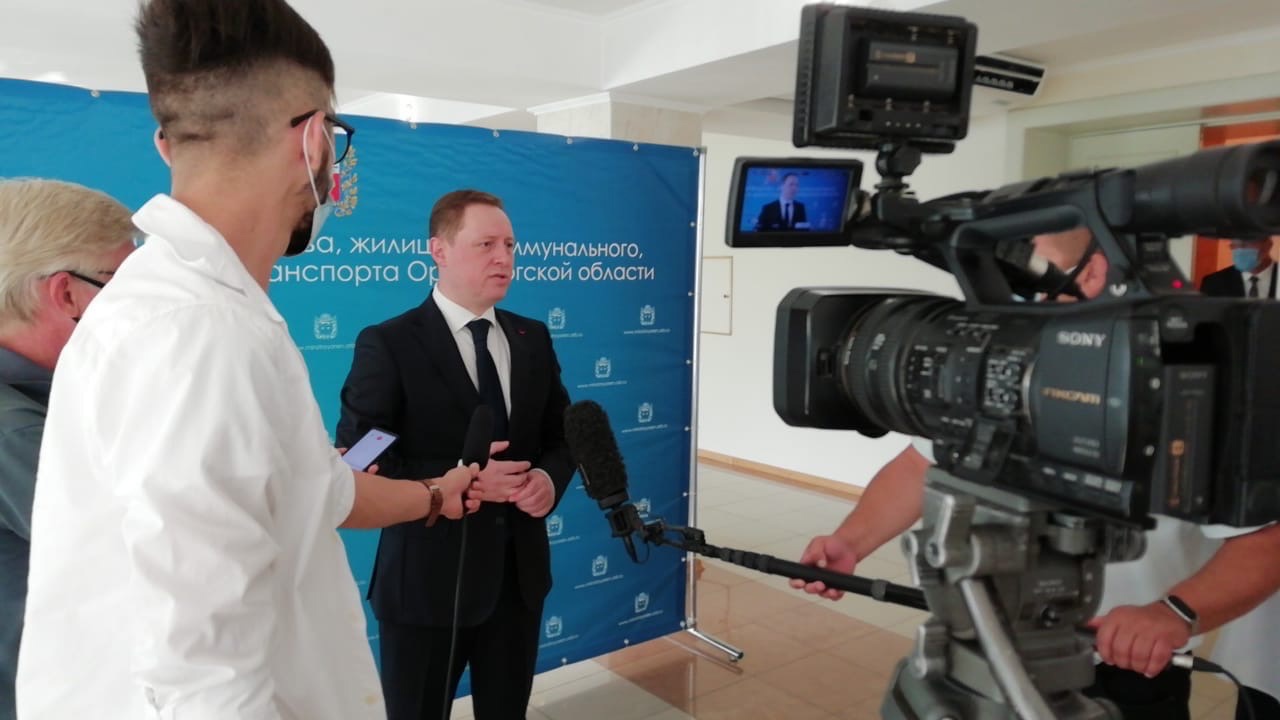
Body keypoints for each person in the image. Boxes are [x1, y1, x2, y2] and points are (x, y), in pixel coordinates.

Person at [16, 2, 478, 718]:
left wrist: (436, 495)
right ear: (316, 140)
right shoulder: (200, 332)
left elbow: (322, 490)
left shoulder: (188, 306)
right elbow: (206, 677)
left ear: (168, 146)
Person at [793, 227, 1280, 720]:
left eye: (1024, 278)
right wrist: (850, 542)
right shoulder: (999, 356)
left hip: (1120, 667)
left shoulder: (1198, 382)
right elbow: (919, 464)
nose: (1010, 299)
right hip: (981, 649)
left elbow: (1265, 541)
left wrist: (1173, 613)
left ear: (1094, 270)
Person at [337, 189, 574, 720]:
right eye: (486, 244)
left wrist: (547, 479)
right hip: (426, 585)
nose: (504, 257)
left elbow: (563, 436)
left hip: (517, 582)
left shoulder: (531, 337)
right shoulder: (389, 342)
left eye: (510, 245)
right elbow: (361, 460)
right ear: (438, 250)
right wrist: (457, 481)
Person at [0, 179, 136, 720]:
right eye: (124, 284)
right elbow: (149, 555)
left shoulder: (55, 400)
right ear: (66, 294)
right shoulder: (17, 430)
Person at [1200, 237, 1276, 298]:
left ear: (1267, 245)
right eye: (1234, 246)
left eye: (1245, 244)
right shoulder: (1214, 282)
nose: (1239, 250)